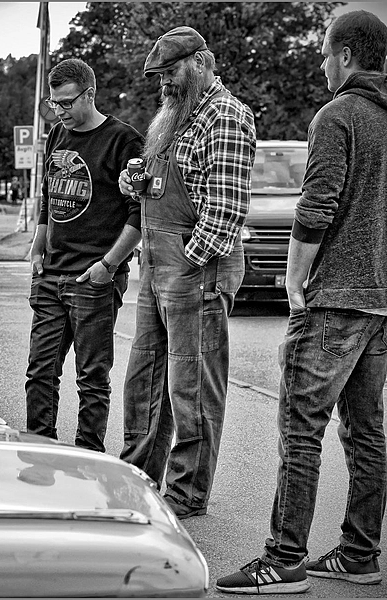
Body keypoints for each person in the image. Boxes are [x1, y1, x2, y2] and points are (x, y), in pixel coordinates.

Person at [217, 10, 387, 594]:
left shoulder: (338, 116)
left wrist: (294, 280)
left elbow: (317, 206)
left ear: (346, 55)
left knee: (300, 428)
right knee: (367, 431)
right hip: (380, 299)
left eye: (324, 54)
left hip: (335, 295)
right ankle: (360, 553)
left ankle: (284, 558)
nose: (320, 64)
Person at [118, 27, 256, 518]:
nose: (164, 84)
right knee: (145, 380)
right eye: (159, 77)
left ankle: (186, 493)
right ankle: (138, 480)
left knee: (191, 387)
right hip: (160, 266)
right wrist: (134, 179)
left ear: (200, 62)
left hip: (194, 270)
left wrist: (188, 263)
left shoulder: (225, 115)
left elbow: (225, 211)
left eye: (170, 72)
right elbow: (162, 180)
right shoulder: (176, 115)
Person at [25, 58, 144, 453]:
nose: (59, 111)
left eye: (66, 103)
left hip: (93, 278)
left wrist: (108, 266)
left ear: (89, 94)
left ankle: (88, 458)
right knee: (40, 372)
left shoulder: (123, 140)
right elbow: (49, 196)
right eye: (53, 103)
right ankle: (41, 451)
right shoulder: (57, 135)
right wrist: (38, 245)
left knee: (92, 378)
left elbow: (139, 213)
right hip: (50, 273)